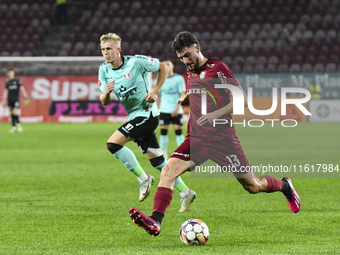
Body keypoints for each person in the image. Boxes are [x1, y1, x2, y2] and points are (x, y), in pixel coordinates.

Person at [129, 31, 301, 236]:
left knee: (253, 186)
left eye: (187, 55)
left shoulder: (217, 68)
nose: (185, 60)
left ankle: (284, 186)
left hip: (223, 140)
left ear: (198, 48)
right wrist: (188, 97)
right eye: (181, 57)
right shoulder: (191, 72)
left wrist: (215, 114)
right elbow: (205, 94)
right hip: (197, 139)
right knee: (168, 171)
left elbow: (242, 99)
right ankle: (156, 221)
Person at [98, 33, 196, 212]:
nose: (106, 53)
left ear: (118, 50)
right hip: (134, 117)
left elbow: (163, 68)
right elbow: (104, 101)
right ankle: (186, 192)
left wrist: (156, 91)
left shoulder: (135, 62)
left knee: (113, 144)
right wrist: (106, 93)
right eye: (103, 49)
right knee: (158, 161)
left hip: (147, 115)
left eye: (109, 49)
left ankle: (143, 179)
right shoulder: (103, 70)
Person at [157, 60, 186, 159]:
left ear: (173, 66)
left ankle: (182, 153)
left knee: (178, 131)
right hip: (164, 110)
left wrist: (177, 109)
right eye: (165, 65)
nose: (167, 67)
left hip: (176, 110)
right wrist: (158, 108)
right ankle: (163, 153)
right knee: (163, 131)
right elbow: (158, 95)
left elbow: (182, 95)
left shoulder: (179, 78)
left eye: (168, 64)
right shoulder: (161, 79)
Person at [1, 69, 29, 133]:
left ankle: (19, 126)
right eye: (9, 73)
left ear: (13, 73)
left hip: (16, 99)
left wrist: (25, 97)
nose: (10, 74)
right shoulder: (7, 82)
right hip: (10, 99)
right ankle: (13, 128)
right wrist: (4, 99)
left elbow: (22, 88)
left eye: (11, 73)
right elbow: (6, 91)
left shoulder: (17, 81)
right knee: (11, 113)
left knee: (15, 112)